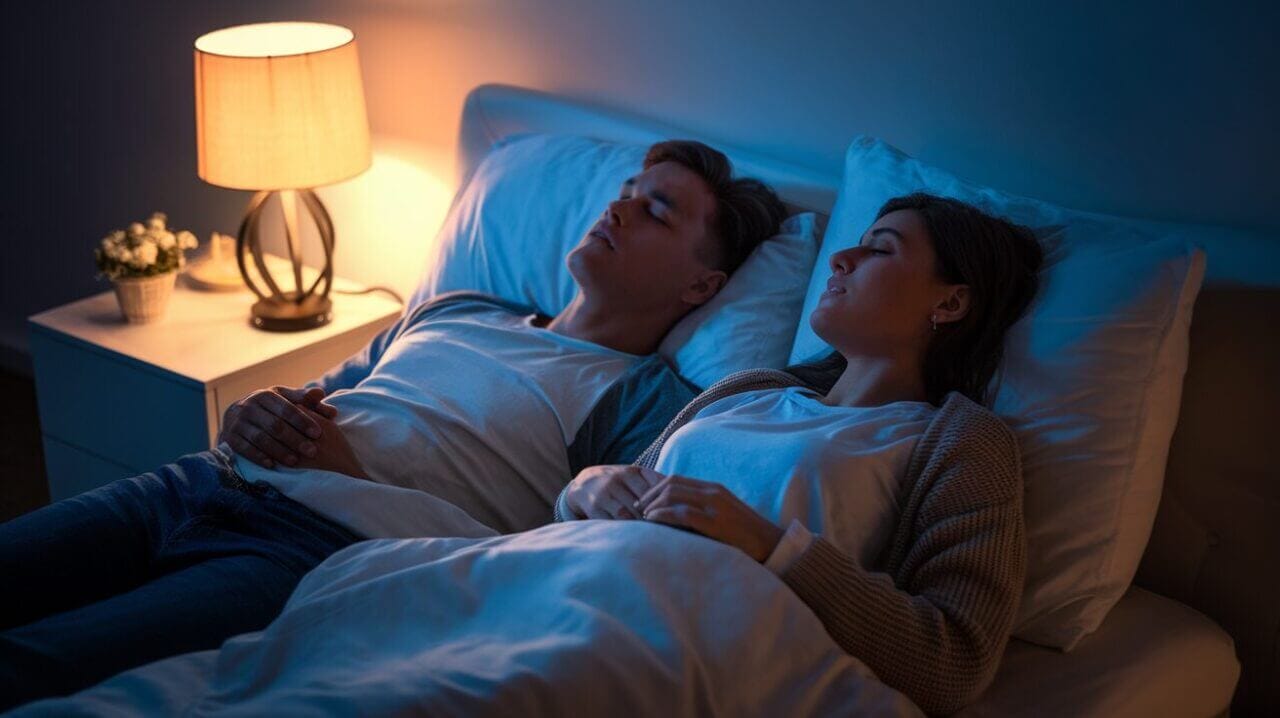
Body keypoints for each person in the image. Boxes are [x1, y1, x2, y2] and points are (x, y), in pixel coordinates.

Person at [0, 140, 789, 710]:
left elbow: (565, 548)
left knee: (34, 664)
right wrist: (256, 411)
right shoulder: (461, 305)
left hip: (305, 549)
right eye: (627, 188)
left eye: (656, 210)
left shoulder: (642, 399)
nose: (618, 206)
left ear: (702, 285)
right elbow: (331, 390)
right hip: (200, 480)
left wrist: (355, 475)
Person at [556, 193, 1044, 714]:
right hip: (579, 590)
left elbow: (953, 664)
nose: (841, 260)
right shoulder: (749, 391)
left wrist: (771, 546)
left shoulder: (960, 442)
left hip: (675, 654)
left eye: (880, 251)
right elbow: (586, 511)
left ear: (949, 303)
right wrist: (584, 489)